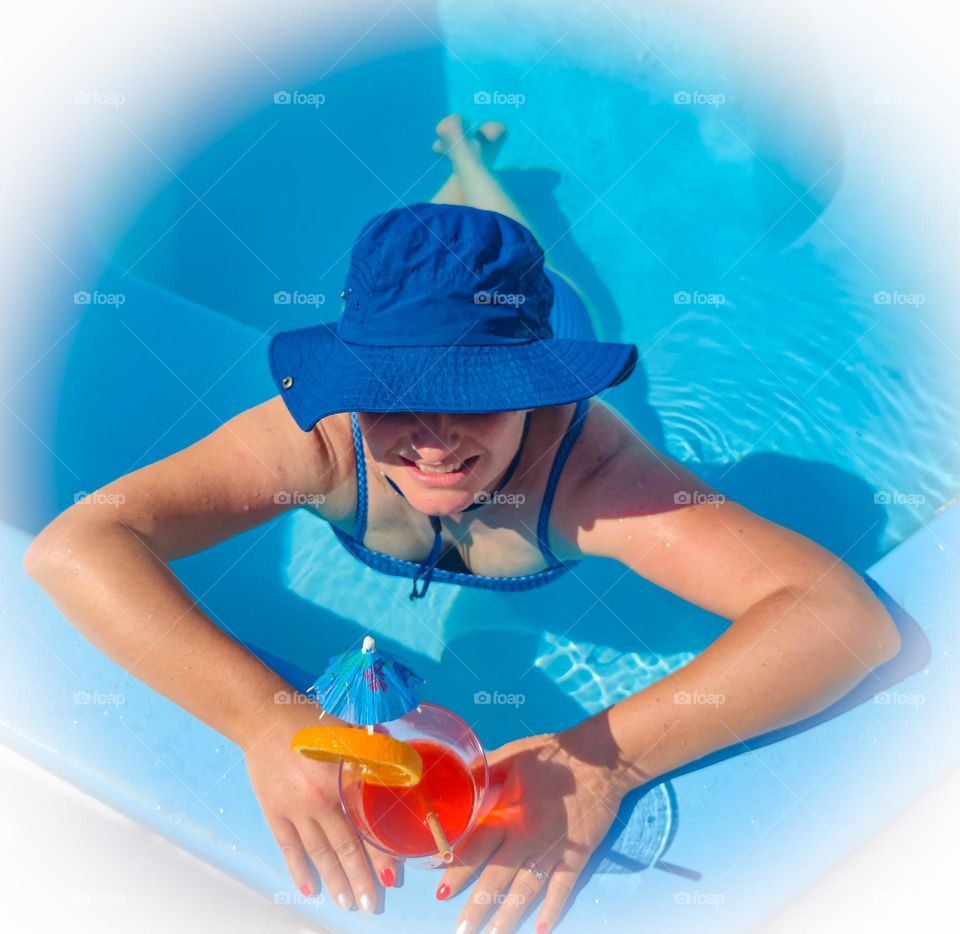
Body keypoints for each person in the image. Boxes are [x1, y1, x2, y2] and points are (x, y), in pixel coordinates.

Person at [23, 114, 901, 934]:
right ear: (351, 383)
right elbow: (77, 545)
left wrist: (610, 760)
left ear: (534, 384)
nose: (434, 441)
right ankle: (468, 159)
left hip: (541, 350)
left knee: (544, 276)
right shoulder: (322, 444)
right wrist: (260, 716)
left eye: (475, 398)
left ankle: (474, 166)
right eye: (393, 397)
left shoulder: (590, 474)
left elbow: (842, 622)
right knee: (474, 265)